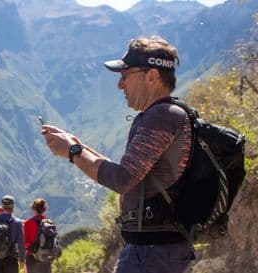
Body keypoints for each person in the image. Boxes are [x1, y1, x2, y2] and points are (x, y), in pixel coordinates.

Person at [41, 36, 196, 273]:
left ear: (152, 76)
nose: (120, 85)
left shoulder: (161, 117)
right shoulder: (168, 114)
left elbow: (123, 179)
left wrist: (72, 152)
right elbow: (133, 174)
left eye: (125, 76)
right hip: (157, 249)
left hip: (153, 252)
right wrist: (74, 143)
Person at [0, 196, 27, 273]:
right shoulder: (17, 223)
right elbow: (21, 243)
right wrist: (22, 259)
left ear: (2, 206)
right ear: (13, 206)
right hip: (11, 259)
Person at [23, 198, 51, 273]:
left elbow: (25, 242)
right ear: (44, 209)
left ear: (33, 209)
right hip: (45, 256)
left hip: (32, 257)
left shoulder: (28, 223)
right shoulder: (49, 223)